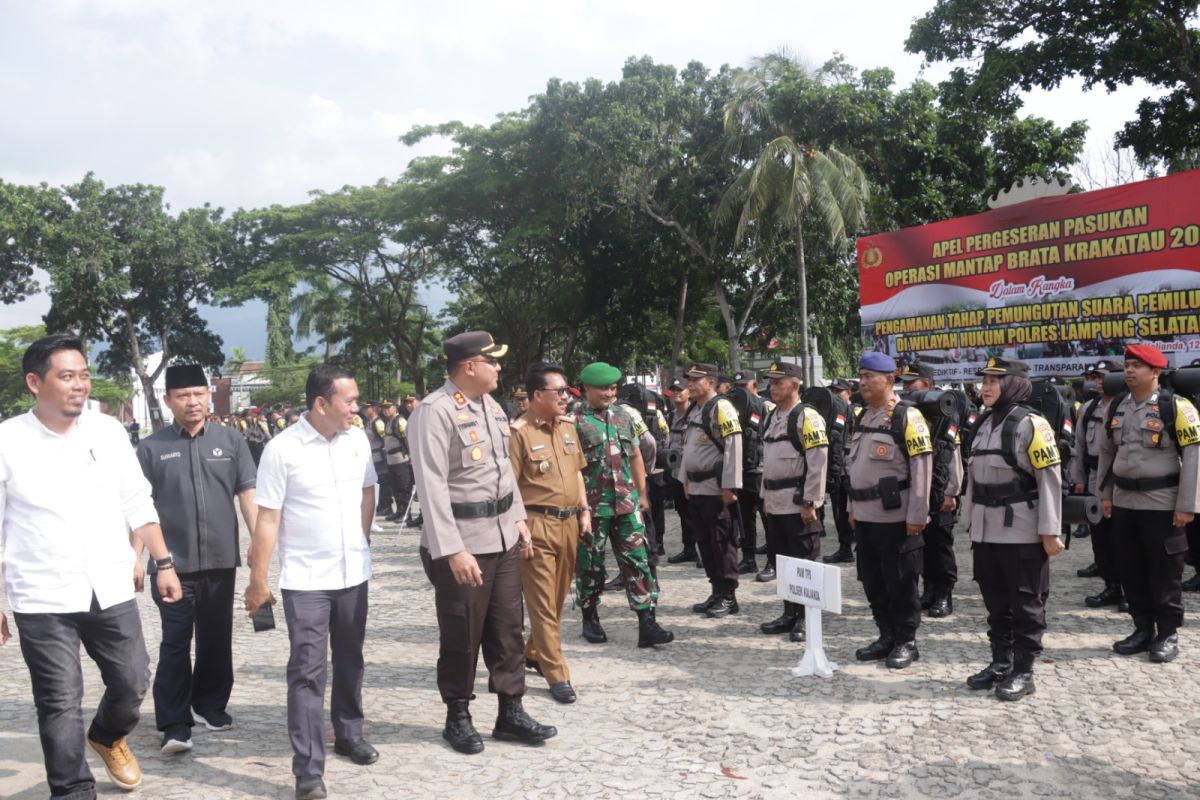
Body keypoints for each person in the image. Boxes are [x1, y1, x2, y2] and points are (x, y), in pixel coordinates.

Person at [0, 334, 182, 797]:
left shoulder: (107, 430)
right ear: (34, 382)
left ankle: (105, 735)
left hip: (110, 584)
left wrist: (163, 561)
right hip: (41, 594)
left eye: (84, 375)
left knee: (133, 680)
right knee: (59, 701)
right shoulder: (7, 441)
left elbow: (136, 498)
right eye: (67, 376)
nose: (79, 385)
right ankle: (73, 791)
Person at [408, 331, 556, 756]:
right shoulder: (433, 412)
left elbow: (503, 470)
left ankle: (511, 711)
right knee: (462, 633)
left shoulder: (490, 404)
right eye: (492, 362)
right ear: (469, 366)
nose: (499, 368)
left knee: (508, 629)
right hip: (463, 541)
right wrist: (452, 550)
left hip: (503, 536)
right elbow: (431, 487)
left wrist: (519, 521)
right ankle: (458, 714)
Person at [244, 364, 380, 800]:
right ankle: (308, 768)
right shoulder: (282, 450)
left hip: (352, 574)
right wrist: (258, 579)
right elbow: (267, 518)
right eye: (350, 401)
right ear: (321, 403)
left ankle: (349, 731)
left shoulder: (357, 439)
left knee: (351, 658)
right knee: (306, 670)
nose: (356, 409)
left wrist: (362, 539)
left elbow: (368, 490)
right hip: (306, 579)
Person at [135, 364, 258, 755]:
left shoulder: (231, 440)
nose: (193, 402)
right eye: (184, 396)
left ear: (208, 395)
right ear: (169, 401)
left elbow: (248, 493)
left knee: (216, 637)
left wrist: (260, 544)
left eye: (199, 394)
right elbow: (138, 507)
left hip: (221, 561)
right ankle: (173, 722)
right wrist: (134, 558)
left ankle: (209, 704)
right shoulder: (152, 448)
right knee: (174, 641)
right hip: (172, 565)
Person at [961, 357, 1065, 701]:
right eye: (985, 381)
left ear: (1016, 383)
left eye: (995, 381)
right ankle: (1000, 662)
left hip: (1022, 528)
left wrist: (1050, 530)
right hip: (987, 530)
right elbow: (974, 479)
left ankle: (1024, 670)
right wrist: (969, 521)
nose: (986, 387)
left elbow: (1049, 479)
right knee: (995, 601)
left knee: (1025, 602)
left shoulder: (1032, 424)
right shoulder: (983, 422)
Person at [1097, 344, 1200, 663]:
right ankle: (1142, 629)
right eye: (1127, 365)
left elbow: (1195, 458)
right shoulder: (1116, 408)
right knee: (1131, 569)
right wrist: (1105, 496)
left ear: (1155, 372)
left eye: (1137, 366)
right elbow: (1105, 453)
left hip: (1162, 504)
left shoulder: (1177, 407)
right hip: (1125, 501)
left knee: (1164, 572)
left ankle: (1167, 634)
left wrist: (1187, 505)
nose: (1129, 371)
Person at [575, 362, 673, 647]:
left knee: (638, 560)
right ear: (587, 389)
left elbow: (636, 457)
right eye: (603, 388)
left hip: (627, 504)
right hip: (593, 508)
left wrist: (642, 495)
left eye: (613, 387)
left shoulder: (624, 417)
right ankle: (589, 618)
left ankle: (647, 622)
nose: (609, 393)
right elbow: (571, 469)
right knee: (590, 564)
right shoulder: (575, 422)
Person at [508, 362, 590, 703]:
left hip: (570, 523)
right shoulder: (518, 433)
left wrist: (584, 510)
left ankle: (533, 651)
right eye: (559, 392)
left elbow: (578, 473)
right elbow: (509, 487)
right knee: (542, 603)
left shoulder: (568, 428)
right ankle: (557, 673)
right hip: (537, 525)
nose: (566, 398)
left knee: (556, 599)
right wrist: (520, 528)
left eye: (568, 392)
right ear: (536, 395)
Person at [846, 352, 933, 669]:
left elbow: (922, 467)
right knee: (873, 581)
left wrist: (917, 516)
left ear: (889, 379)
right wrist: (851, 506)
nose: (863, 382)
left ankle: (906, 641)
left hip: (896, 520)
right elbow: (852, 465)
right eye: (862, 376)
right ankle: (885, 636)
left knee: (901, 582)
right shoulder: (862, 416)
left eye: (870, 376)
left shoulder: (907, 416)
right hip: (866, 517)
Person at [757, 361, 829, 641]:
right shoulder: (772, 416)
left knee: (804, 562)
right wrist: (764, 497)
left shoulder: (806, 417)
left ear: (795, 384)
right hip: (775, 502)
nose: (773, 387)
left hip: (798, 504)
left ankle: (806, 617)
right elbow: (768, 460)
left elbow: (818, 462)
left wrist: (811, 501)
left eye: (778, 382)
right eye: (771, 383)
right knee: (783, 562)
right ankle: (789, 613)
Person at [680, 362, 745, 618]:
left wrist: (730, 487)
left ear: (710, 382)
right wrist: (684, 480)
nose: (690, 384)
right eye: (689, 379)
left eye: (696, 380)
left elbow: (734, 447)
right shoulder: (695, 410)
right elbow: (688, 448)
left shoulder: (722, 407)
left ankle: (729, 595)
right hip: (696, 488)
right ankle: (716, 590)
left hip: (716, 490)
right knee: (705, 544)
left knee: (722, 543)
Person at [899, 361, 963, 618]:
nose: (905, 388)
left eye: (910, 383)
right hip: (917, 492)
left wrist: (952, 492)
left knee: (940, 545)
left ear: (926, 385)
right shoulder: (910, 412)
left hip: (940, 491)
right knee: (922, 545)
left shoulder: (946, 412)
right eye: (903, 383)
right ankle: (929, 589)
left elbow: (954, 455)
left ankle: (945, 593)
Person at [1071, 360, 1127, 610]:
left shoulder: (1128, 406)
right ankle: (1112, 586)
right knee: (1100, 537)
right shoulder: (1087, 408)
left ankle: (1130, 590)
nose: (1098, 382)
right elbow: (1080, 446)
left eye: (1103, 376)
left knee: (1124, 538)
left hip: (1123, 483)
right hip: (1094, 478)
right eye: (1095, 377)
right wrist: (1079, 479)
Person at [730, 369, 768, 577]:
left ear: (754, 385)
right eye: (737, 388)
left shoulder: (764, 406)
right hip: (742, 469)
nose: (740, 392)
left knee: (767, 516)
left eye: (744, 387)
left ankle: (772, 560)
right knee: (745, 517)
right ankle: (748, 558)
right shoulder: (732, 408)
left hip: (760, 469)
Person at [664, 377, 699, 566]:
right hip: (676, 473)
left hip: (692, 473)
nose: (677, 393)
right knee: (683, 512)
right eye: (674, 390)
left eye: (680, 390)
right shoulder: (671, 415)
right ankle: (689, 549)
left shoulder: (695, 415)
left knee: (697, 513)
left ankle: (703, 550)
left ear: (688, 393)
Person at [824, 379, 857, 564]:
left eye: (840, 392)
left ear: (849, 393)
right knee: (839, 511)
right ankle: (845, 548)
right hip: (836, 467)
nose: (836, 395)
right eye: (833, 392)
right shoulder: (829, 413)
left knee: (856, 510)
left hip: (851, 467)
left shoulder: (856, 411)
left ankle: (860, 543)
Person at [383, 399, 418, 526]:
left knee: (404, 487)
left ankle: (406, 514)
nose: (386, 410)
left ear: (395, 408)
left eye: (388, 407)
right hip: (391, 460)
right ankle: (399, 510)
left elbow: (407, 439)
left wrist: (411, 455)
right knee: (395, 487)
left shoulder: (400, 421)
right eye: (384, 408)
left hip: (401, 458)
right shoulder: (389, 422)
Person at [364, 401, 394, 520]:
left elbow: (384, 439)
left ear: (374, 408)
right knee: (377, 482)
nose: (365, 410)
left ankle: (387, 505)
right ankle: (381, 505)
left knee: (384, 482)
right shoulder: (369, 422)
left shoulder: (378, 423)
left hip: (380, 456)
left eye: (368, 408)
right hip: (372, 456)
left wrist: (384, 452)